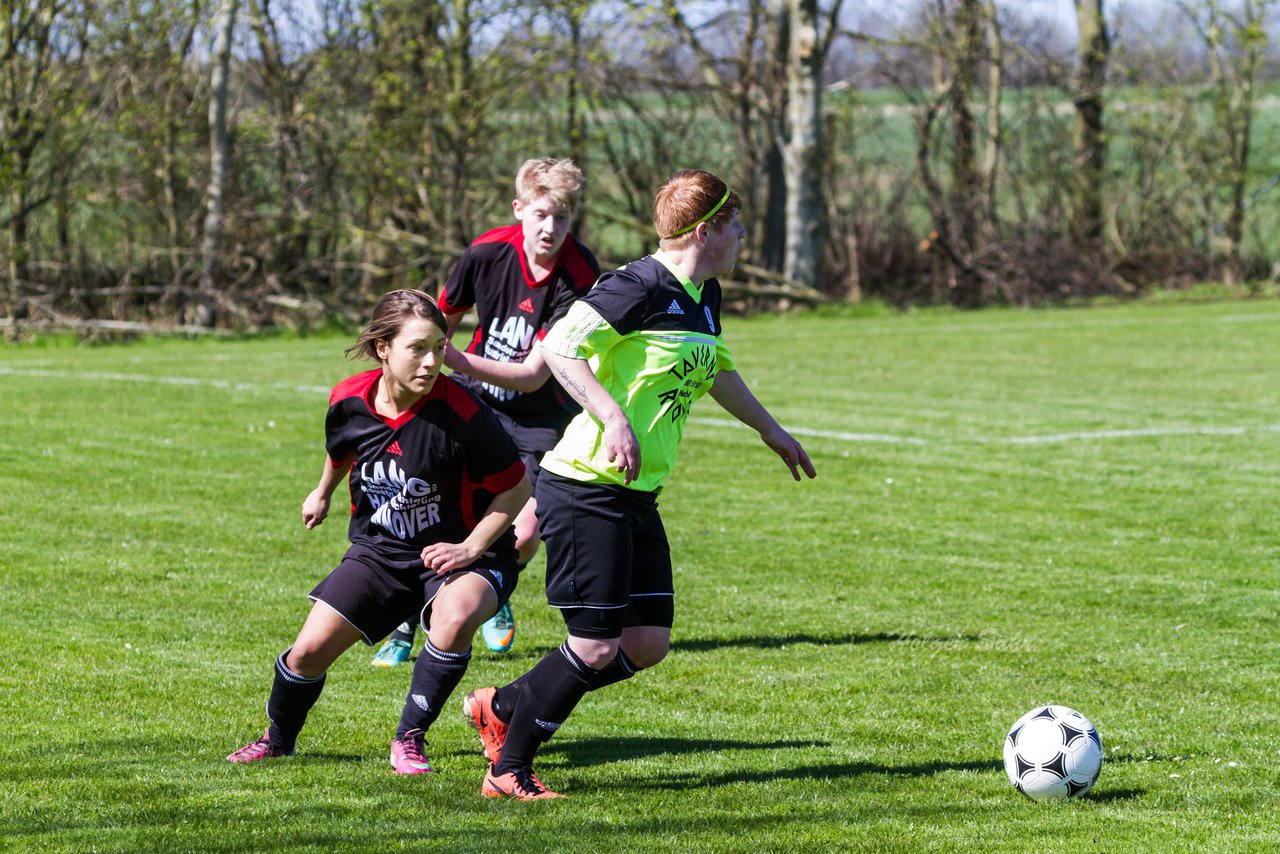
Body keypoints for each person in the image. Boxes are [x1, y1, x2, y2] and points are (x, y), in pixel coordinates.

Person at [461, 169, 818, 799]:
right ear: (705, 230)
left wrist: (771, 430)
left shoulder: (703, 293)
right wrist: (612, 415)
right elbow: (564, 347)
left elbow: (717, 371)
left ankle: (505, 704)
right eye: (733, 224)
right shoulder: (637, 285)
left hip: (635, 493)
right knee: (594, 645)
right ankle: (508, 769)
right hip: (585, 485)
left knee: (647, 642)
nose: (740, 236)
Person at [227, 289, 531, 774]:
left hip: (466, 549)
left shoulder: (464, 413)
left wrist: (470, 548)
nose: (432, 361)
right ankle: (277, 740)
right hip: (382, 549)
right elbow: (341, 447)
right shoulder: (348, 398)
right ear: (382, 348)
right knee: (306, 652)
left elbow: (517, 488)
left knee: (453, 619)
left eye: (438, 346)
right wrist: (322, 491)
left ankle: (409, 738)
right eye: (417, 348)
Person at [371, 157, 600, 667]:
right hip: (476, 400)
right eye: (541, 214)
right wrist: (428, 368)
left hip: (543, 416)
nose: (550, 228)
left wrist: (454, 359)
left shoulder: (581, 277)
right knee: (434, 506)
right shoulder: (486, 251)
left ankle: (493, 590)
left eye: (562, 217)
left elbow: (537, 374)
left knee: (521, 532)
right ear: (518, 209)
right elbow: (436, 316)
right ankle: (407, 623)